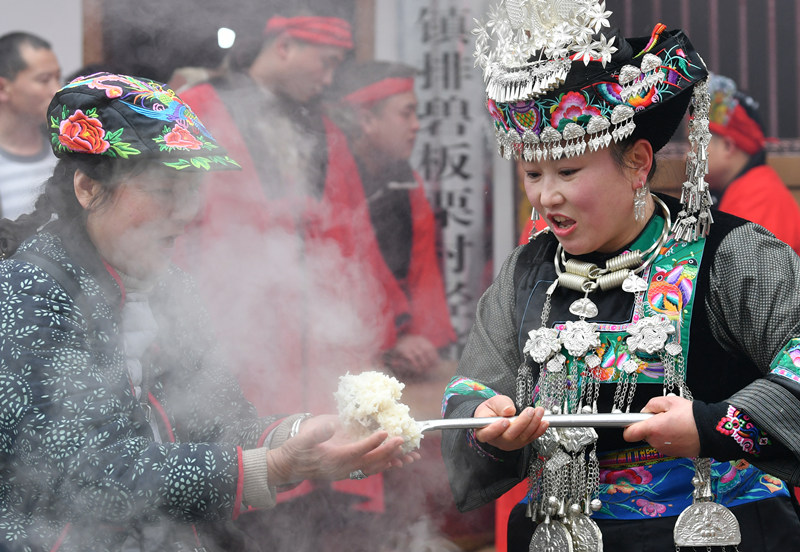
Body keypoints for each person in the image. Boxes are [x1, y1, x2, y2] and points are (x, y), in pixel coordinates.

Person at [0, 72, 415, 552]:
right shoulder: (25, 294)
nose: (186, 212)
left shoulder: (172, 287)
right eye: (162, 190)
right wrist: (271, 467)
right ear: (88, 188)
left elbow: (218, 419)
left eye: (191, 189)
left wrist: (298, 435)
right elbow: (85, 473)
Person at [440, 3, 800, 551]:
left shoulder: (733, 254)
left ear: (636, 161)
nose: (545, 196)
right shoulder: (526, 271)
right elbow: (472, 387)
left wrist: (712, 425)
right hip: (559, 531)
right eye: (532, 173)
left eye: (567, 170)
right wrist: (484, 418)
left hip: (715, 532)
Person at [328, 60, 456, 377]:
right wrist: (391, 337)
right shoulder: (334, 174)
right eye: (405, 113)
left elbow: (422, 268)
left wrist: (422, 338)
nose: (416, 125)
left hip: (395, 345)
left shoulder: (405, 177)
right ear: (367, 119)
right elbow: (344, 265)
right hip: (344, 347)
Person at [705, 72, 800, 255]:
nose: (687, 155)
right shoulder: (749, 189)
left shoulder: (757, 199)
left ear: (727, 146)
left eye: (694, 142)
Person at [0, 31, 61, 220]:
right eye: (44, 80)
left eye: (58, 77)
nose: (57, 90)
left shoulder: (64, 149)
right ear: (3, 88)